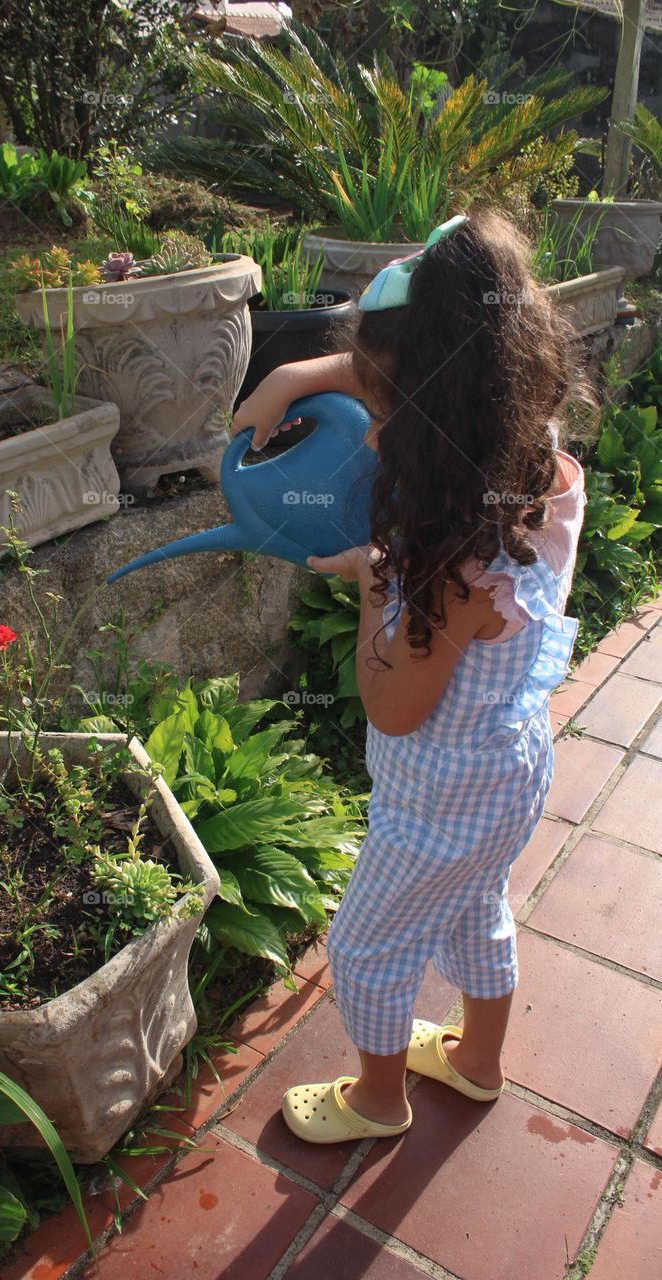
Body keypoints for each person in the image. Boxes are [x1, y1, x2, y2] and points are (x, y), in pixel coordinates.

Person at [229, 207, 596, 1141]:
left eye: (386, 416)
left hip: (432, 792)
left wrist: (371, 583)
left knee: (367, 946)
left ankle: (376, 1099)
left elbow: (391, 707)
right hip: (508, 770)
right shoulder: (540, 468)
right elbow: (442, 355)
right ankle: (475, 1062)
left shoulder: (453, 563)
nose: (368, 434)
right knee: (478, 909)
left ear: (439, 412)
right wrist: (290, 374)